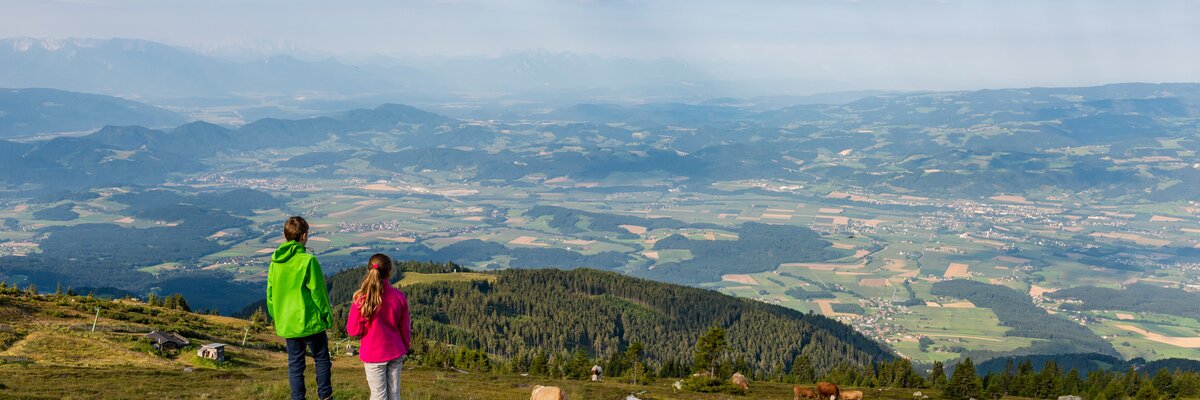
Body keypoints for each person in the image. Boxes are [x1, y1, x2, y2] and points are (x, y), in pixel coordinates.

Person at [267, 216, 334, 400]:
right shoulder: (308, 261)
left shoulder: (275, 263)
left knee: (295, 364)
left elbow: (270, 295)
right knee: (321, 359)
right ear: (304, 236)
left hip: (288, 323)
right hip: (310, 321)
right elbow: (319, 295)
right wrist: (327, 317)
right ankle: (325, 397)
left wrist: (277, 316)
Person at [347, 253, 412, 400]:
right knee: (394, 394)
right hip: (395, 351)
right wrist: (405, 347)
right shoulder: (398, 296)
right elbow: (405, 328)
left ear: (369, 270)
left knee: (378, 395)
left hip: (373, 354)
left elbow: (353, 330)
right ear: (389, 272)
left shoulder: (361, 299)